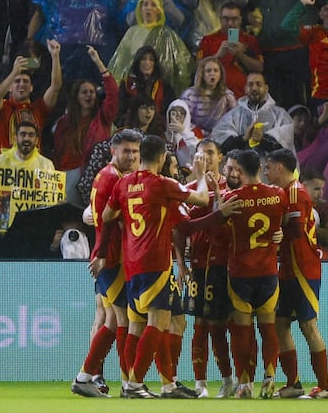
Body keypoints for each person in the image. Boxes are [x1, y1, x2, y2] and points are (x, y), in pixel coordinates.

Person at [105, 135, 209, 399]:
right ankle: (135, 384)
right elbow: (203, 199)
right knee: (158, 321)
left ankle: (164, 384)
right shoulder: (163, 183)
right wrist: (202, 175)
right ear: (162, 157)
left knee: (140, 324)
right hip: (156, 261)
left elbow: (107, 216)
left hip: (131, 263)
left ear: (141, 155)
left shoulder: (123, 184)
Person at [71, 129, 141, 398]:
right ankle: (126, 383)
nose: (132, 156)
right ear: (114, 151)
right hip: (112, 259)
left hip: (116, 257)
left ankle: (87, 376)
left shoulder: (117, 176)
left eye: (135, 151)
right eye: (126, 151)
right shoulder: (110, 178)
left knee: (112, 319)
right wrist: (100, 255)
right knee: (121, 319)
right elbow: (105, 222)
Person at [218, 149, 288, 399]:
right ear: (259, 167)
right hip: (268, 271)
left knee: (242, 331)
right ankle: (269, 377)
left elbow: (222, 232)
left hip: (240, 272)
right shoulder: (278, 195)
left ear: (239, 169)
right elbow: (283, 225)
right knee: (269, 329)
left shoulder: (232, 198)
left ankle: (244, 383)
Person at [264, 149, 328, 399]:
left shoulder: (295, 192)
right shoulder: (285, 192)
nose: (266, 172)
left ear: (280, 167)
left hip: (304, 269)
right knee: (280, 324)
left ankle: (325, 387)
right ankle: (293, 384)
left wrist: (273, 226)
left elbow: (294, 229)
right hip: (289, 270)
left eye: (269, 167)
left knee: (308, 325)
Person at [172, 140, 237, 399]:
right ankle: (200, 384)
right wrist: (180, 263)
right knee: (199, 324)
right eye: (201, 153)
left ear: (219, 156)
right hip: (198, 266)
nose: (206, 157)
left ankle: (229, 378)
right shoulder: (189, 190)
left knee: (219, 325)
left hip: (224, 266)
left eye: (210, 152)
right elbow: (178, 229)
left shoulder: (230, 188)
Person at [27, 0, 121, 83]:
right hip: (60, 54)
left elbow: (115, 20)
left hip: (96, 55)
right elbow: (38, 15)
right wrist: (29, 41)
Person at [52, 46, 119, 207]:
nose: (89, 95)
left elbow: (113, 93)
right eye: (84, 92)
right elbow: (58, 151)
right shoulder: (64, 122)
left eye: (92, 92)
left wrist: (98, 63)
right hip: (67, 176)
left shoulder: (102, 118)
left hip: (94, 176)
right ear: (77, 96)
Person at [249, 0, 312, 108]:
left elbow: (311, 13)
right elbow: (249, 11)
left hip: (295, 50)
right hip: (267, 50)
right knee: (271, 98)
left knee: (295, 98)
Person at [0, 38, 63, 160]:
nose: (22, 84)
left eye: (26, 81)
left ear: (32, 88)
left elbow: (55, 87)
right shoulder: (3, 107)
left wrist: (55, 56)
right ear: (9, 87)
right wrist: (14, 72)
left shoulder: (38, 109)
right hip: (5, 166)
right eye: (17, 81)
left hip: (31, 168)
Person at [107, 0, 193, 94]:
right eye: (145, 4)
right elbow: (120, 63)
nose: (149, 8)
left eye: (153, 5)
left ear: (159, 10)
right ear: (140, 9)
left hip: (160, 90)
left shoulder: (168, 34)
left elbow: (181, 65)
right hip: (133, 88)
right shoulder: (132, 33)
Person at [210, 71, 295, 157]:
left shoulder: (280, 115)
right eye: (250, 84)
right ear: (245, 88)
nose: (254, 88)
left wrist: (263, 139)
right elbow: (221, 148)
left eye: (258, 84)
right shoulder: (233, 116)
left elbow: (286, 151)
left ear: (266, 88)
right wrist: (243, 138)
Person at [196, 2, 264, 98]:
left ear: (240, 20)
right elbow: (199, 67)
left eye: (234, 19)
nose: (230, 23)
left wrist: (240, 55)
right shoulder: (208, 40)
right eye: (226, 19)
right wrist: (217, 56)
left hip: (244, 95)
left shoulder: (250, 40)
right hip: (215, 96)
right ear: (220, 19)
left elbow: (259, 68)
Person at [116, 45, 177, 126]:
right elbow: (118, 113)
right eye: (143, 59)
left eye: (151, 60)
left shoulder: (165, 86)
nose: (147, 63)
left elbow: (171, 112)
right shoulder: (127, 84)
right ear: (138, 62)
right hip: (130, 129)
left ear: (155, 63)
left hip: (158, 131)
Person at [180, 57, 237, 136]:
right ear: (202, 74)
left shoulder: (227, 95)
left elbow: (236, 118)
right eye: (208, 71)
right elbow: (184, 121)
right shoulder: (190, 94)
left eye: (216, 70)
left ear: (221, 74)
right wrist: (202, 134)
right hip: (195, 137)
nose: (212, 73)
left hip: (220, 136)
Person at [300, 169, 328, 260]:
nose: (321, 193)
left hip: (324, 259)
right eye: (317, 189)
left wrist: (304, 225)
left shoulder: (327, 209)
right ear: (303, 187)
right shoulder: (293, 207)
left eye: (322, 189)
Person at [164, 99, 202, 171]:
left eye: (181, 113)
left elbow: (200, 153)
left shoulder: (195, 133)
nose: (177, 117)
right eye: (174, 113)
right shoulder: (162, 134)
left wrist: (184, 131)